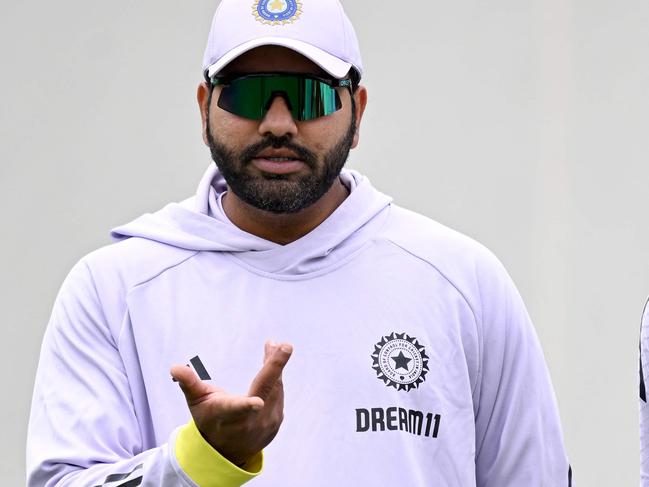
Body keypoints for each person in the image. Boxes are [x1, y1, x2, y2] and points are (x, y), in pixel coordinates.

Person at [26, 0, 572, 485]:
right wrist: (200, 461)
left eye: (311, 97)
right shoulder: (114, 288)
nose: (278, 122)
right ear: (203, 108)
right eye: (248, 94)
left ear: (357, 113)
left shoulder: (462, 282)